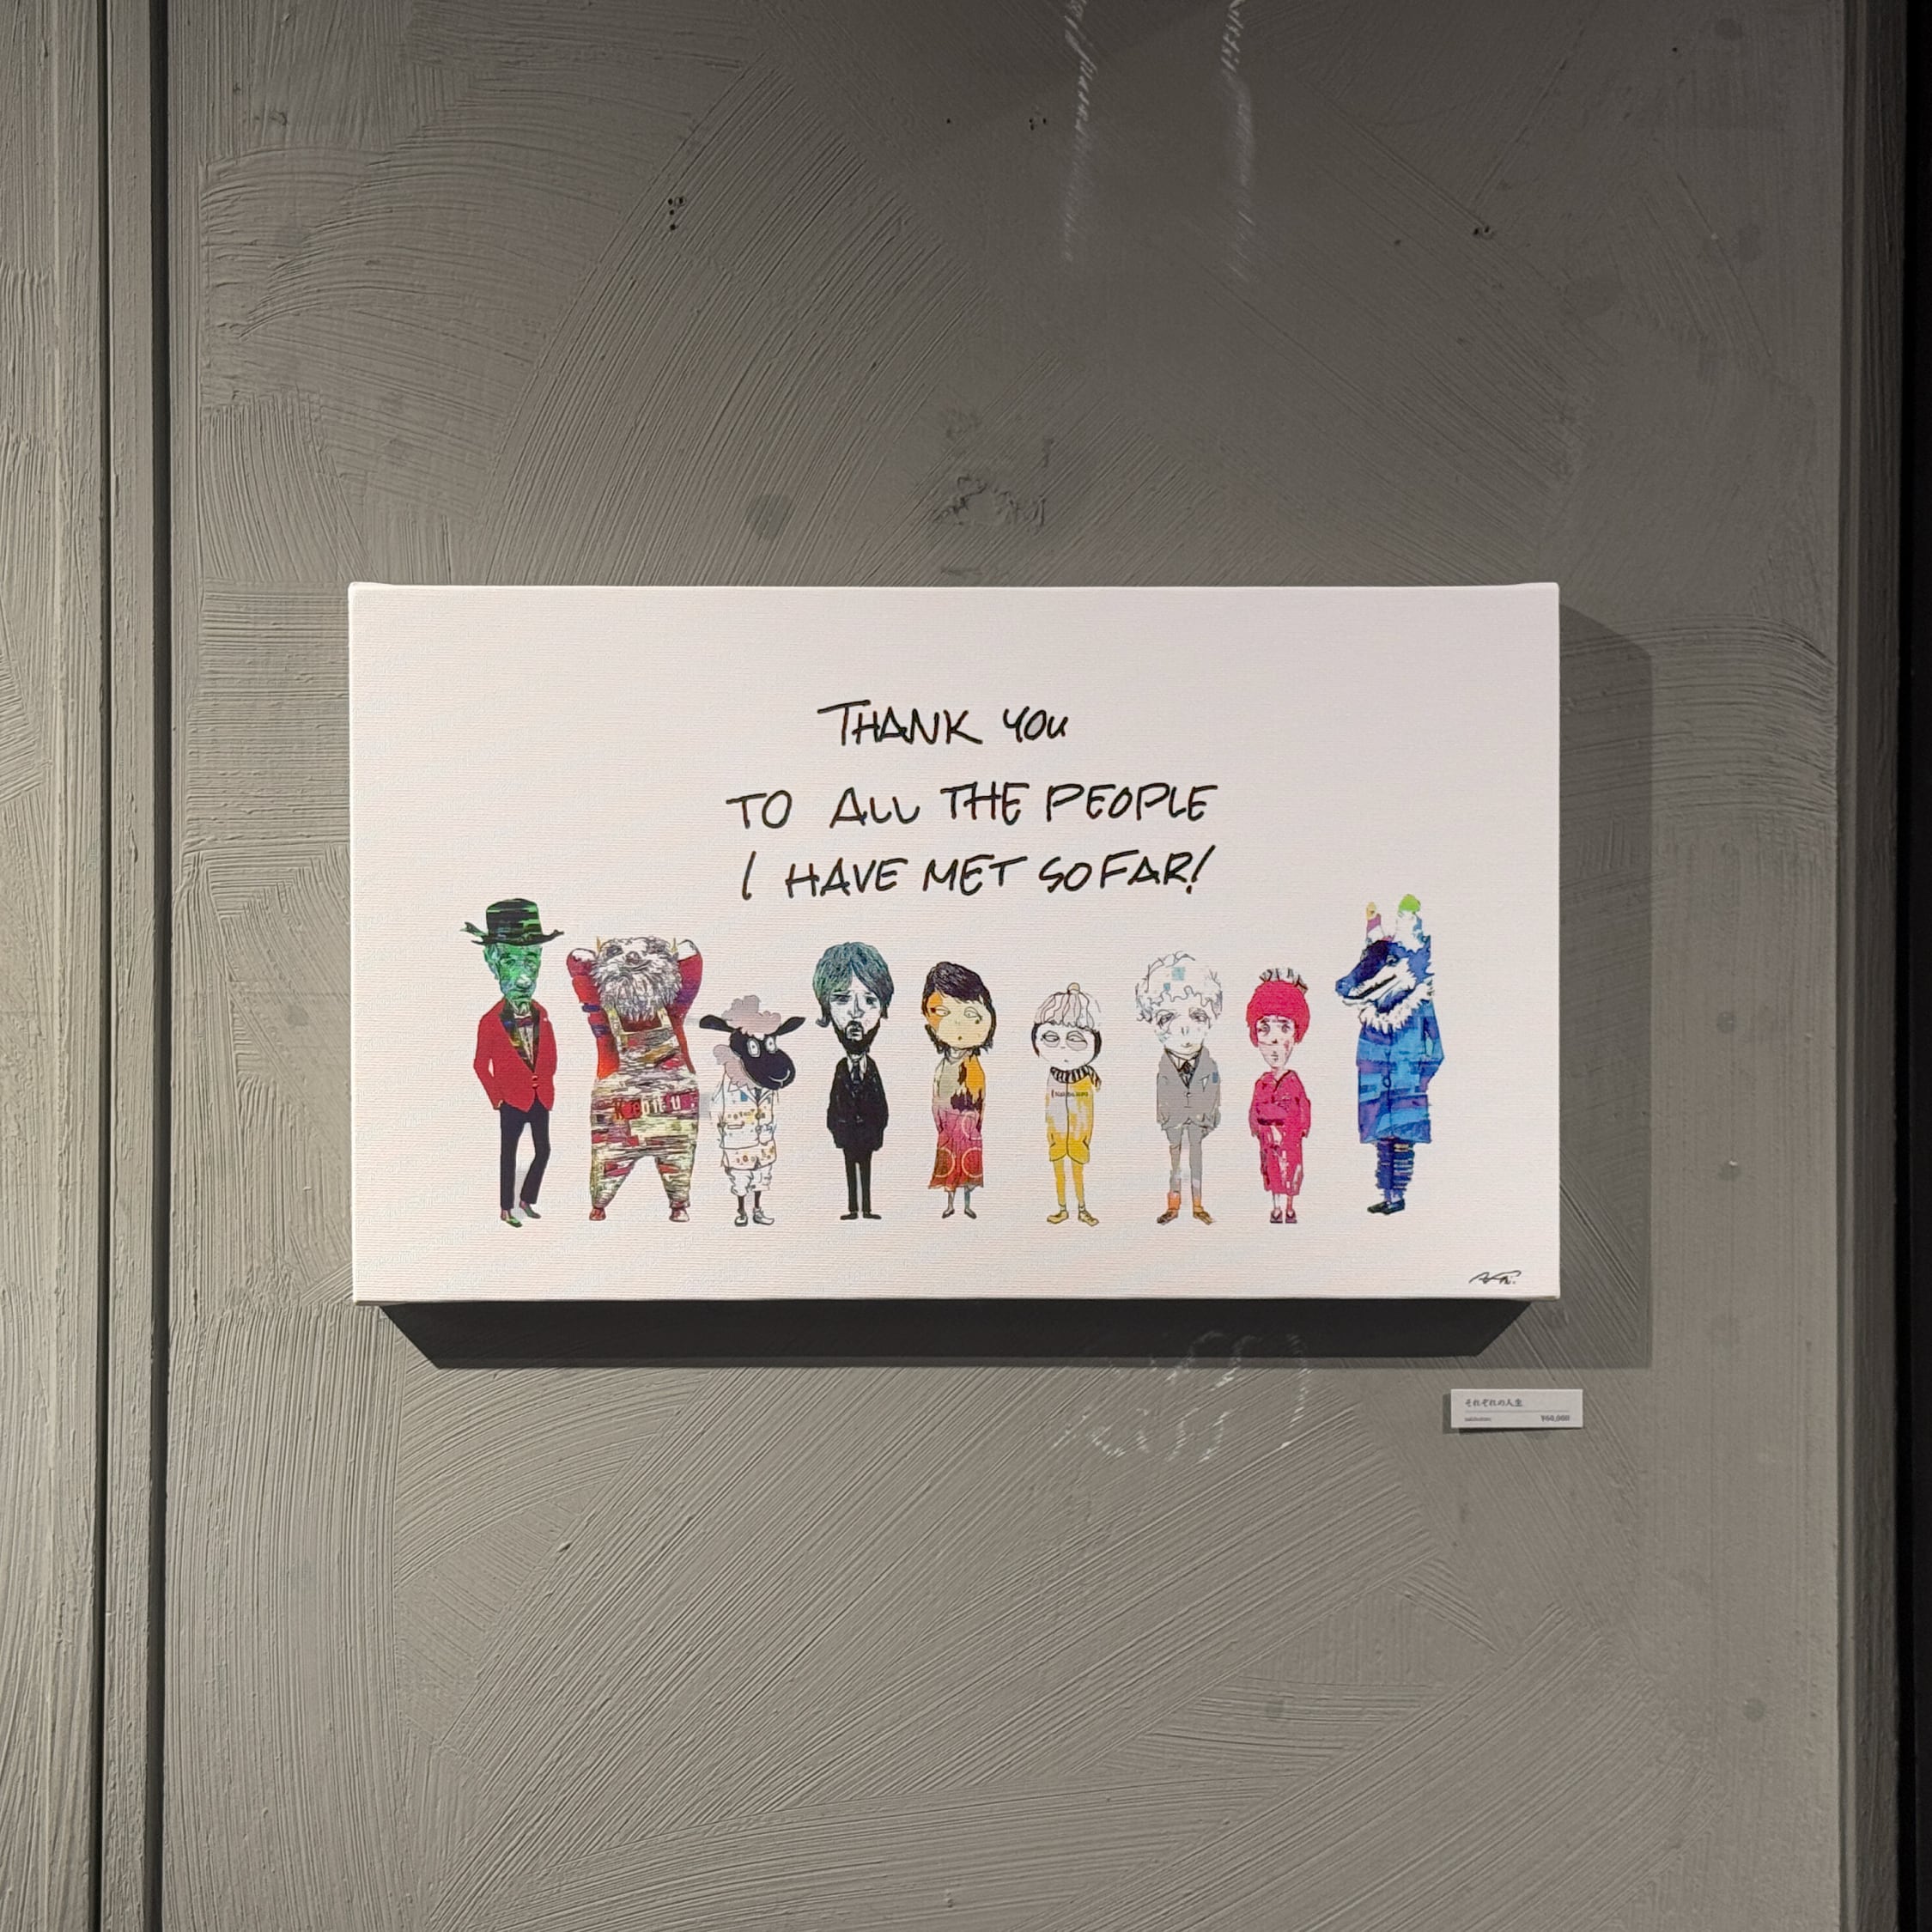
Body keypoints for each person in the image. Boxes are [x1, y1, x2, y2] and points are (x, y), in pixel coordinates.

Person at [567, 933, 703, 1221]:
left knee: (677, 1157)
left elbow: (689, 980)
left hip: (674, 1106)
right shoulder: (605, 1016)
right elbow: (585, 988)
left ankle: (678, 1204)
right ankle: (600, 1203)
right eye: (622, 954)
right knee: (609, 1158)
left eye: (643, 953)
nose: (633, 958)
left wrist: (687, 958)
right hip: (619, 1108)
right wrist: (582, 966)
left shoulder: (672, 1011)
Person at [465, 897, 562, 1229]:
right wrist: (498, 1098)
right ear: (492, 961)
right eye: (510, 960)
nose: (523, 978)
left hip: (540, 1098)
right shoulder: (490, 1021)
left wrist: (546, 1082)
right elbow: (480, 1065)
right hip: (511, 1100)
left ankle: (527, 1200)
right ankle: (506, 1209)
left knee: (543, 1150)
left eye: (531, 960)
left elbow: (550, 1054)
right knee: (509, 1154)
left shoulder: (542, 1013)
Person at [1136, 951, 1223, 1224]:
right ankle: (1173, 1206)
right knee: (1176, 1165)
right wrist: (1165, 1118)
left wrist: (1209, 1119)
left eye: (1197, 1016)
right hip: (1174, 1122)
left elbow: (1214, 1093)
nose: (1184, 1029)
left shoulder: (1209, 1063)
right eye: (1167, 1018)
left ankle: (1197, 1205)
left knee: (1195, 1162)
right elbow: (1161, 1092)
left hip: (1198, 1121)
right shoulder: (1164, 1065)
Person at [812, 940, 895, 1219]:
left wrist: (877, 1130)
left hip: (868, 1137)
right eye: (842, 999)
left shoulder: (872, 1068)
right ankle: (852, 1209)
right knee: (850, 1171)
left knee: (866, 1171)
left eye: (870, 1000)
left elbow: (881, 1104)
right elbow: (833, 1104)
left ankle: (867, 1209)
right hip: (848, 1137)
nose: (856, 1011)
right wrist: (837, 1130)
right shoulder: (840, 1068)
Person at [922, 962, 995, 1218]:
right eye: (944, 1013)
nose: (959, 1027)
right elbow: (936, 1098)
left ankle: (967, 1204)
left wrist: (975, 1126)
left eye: (971, 1016)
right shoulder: (943, 1066)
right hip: (948, 1127)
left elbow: (981, 1102)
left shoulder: (976, 1069)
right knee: (948, 1166)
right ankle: (950, 1203)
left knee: (968, 1167)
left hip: (969, 1127)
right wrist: (941, 1125)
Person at [1245, 968, 1312, 1224]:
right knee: (1272, 1174)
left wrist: (1298, 1128)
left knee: (1291, 1173)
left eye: (1284, 1027)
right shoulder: (1261, 1082)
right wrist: (1258, 1125)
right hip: (1268, 1142)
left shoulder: (1293, 1081)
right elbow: (1255, 1111)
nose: (1274, 1040)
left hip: (1289, 1140)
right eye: (1264, 1029)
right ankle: (1276, 1208)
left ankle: (1290, 1207)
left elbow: (1303, 1111)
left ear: (1296, 1034)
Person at [1032, 982, 1102, 1225]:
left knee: (1077, 1171)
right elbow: (1050, 1110)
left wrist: (1080, 1139)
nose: (1062, 1047)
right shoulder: (1052, 1077)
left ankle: (1082, 1209)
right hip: (1057, 1139)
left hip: (1078, 1140)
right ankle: (1063, 1208)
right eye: (1051, 1038)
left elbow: (1087, 1114)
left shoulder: (1087, 1079)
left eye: (1075, 1039)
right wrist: (1054, 1137)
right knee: (1059, 1171)